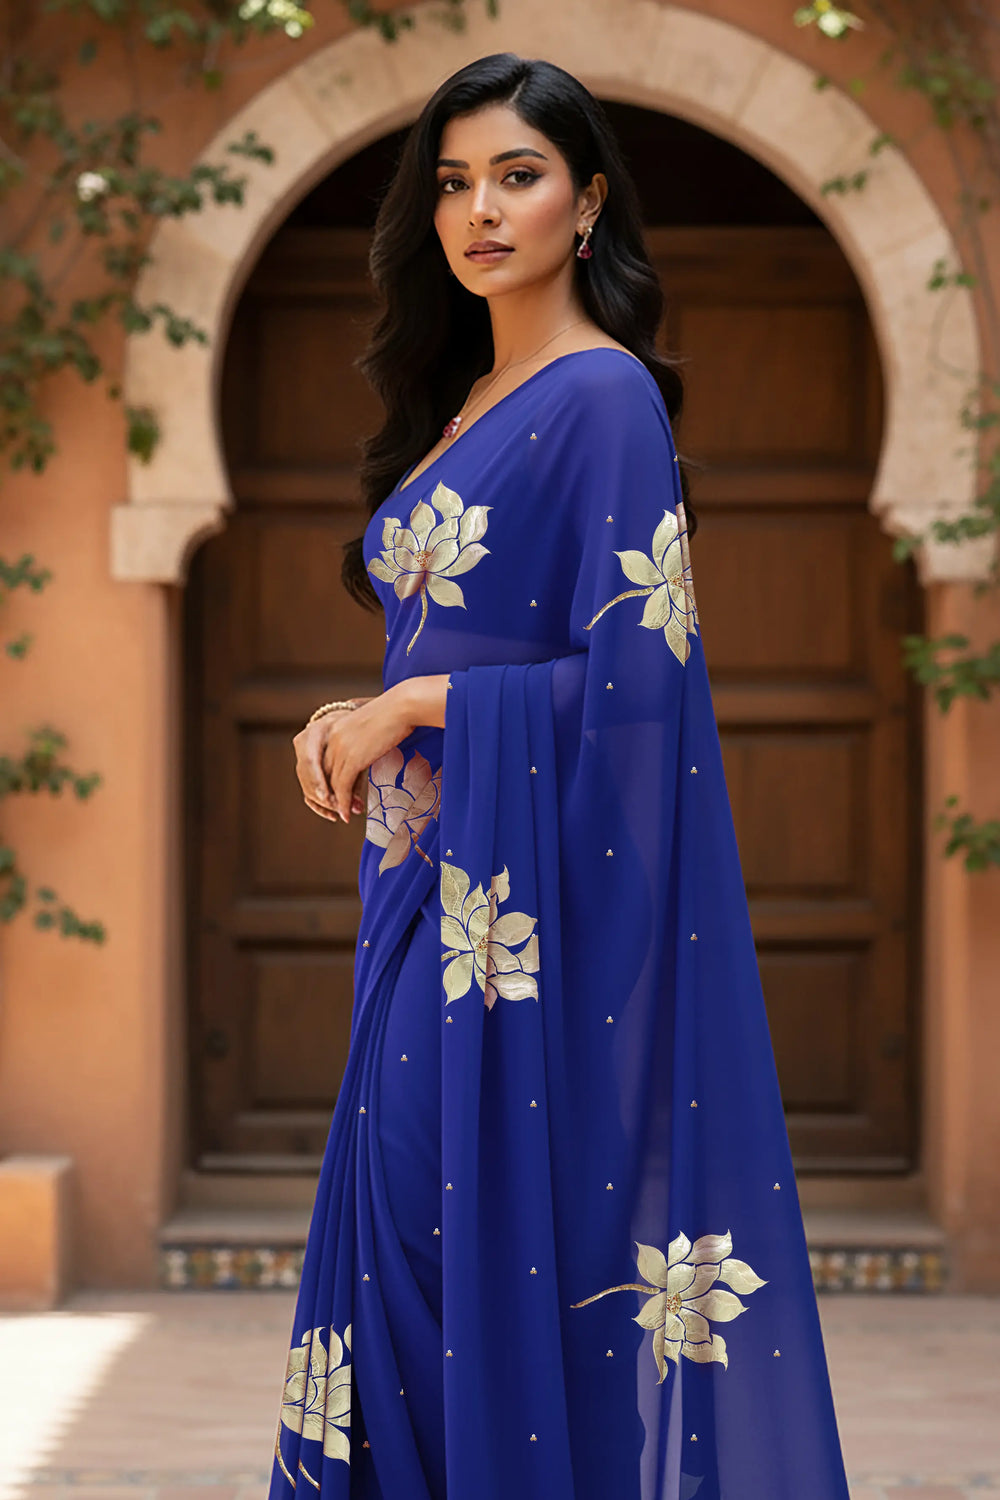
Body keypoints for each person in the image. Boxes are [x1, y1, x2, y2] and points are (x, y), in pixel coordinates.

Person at [267, 51, 851, 1500]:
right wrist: (375, 704)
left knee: (445, 1256)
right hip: (424, 908)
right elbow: (467, 638)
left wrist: (416, 699)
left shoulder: (602, 401)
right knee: (404, 1256)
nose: (480, 210)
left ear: (588, 203)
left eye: (517, 176)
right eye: (453, 183)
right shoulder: (474, 395)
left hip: (518, 932)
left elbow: (641, 692)